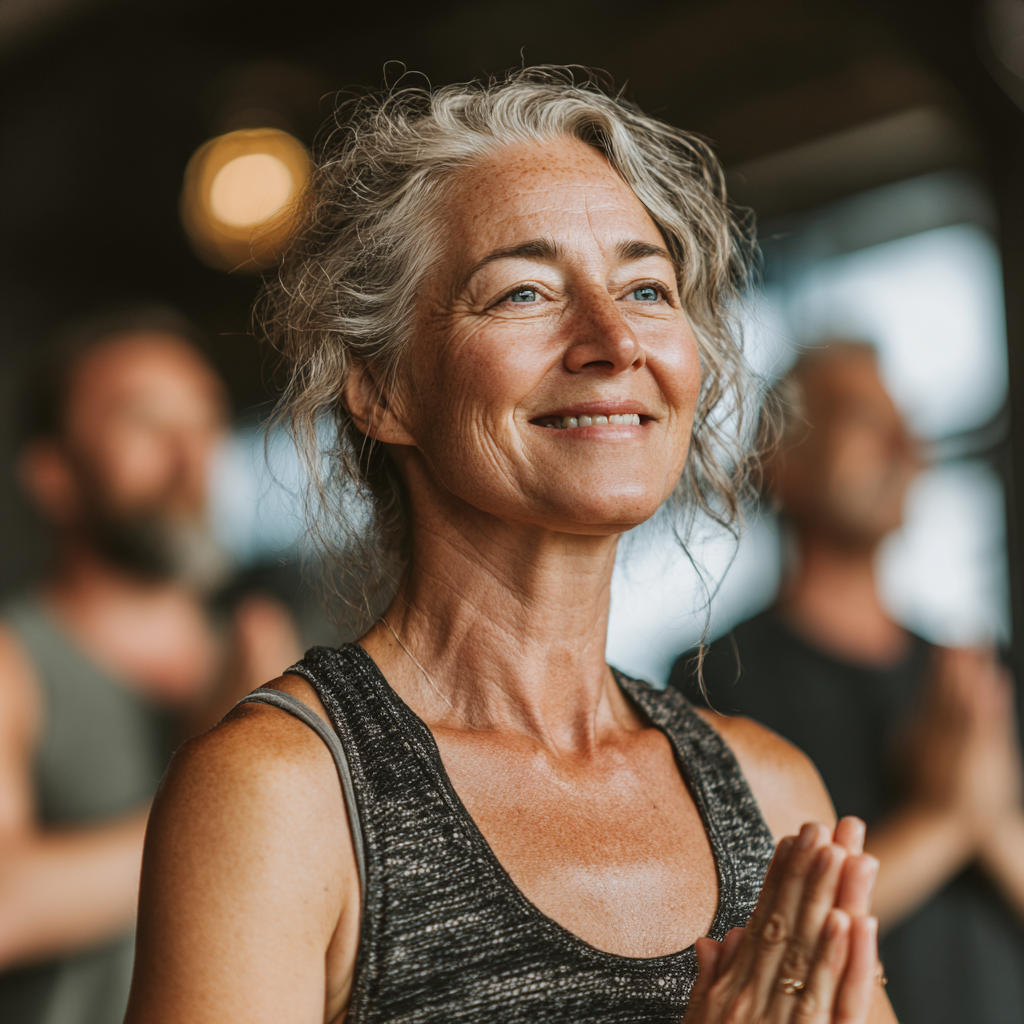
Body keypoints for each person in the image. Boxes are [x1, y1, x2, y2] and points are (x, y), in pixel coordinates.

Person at [126, 71, 895, 1023]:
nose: (613, 340)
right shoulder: (284, 797)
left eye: (645, 287)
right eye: (525, 291)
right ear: (383, 390)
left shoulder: (774, 798)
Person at [671, 341, 1024, 1024]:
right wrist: (944, 817)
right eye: (864, 421)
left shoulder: (978, 675)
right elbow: (750, 940)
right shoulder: (716, 682)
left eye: (906, 424)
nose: (904, 445)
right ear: (781, 462)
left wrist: (991, 818)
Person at [0, 307, 302, 1024]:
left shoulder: (277, 653)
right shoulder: (15, 660)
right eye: (144, 423)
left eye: (204, 421)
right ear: (53, 475)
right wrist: (217, 789)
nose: (189, 454)